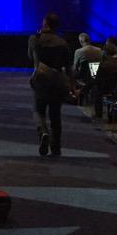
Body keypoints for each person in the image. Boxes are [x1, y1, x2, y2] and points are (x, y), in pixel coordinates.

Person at [28, 12, 73, 157]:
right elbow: (68, 66)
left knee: (38, 110)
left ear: (45, 23)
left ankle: (43, 131)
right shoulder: (62, 42)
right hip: (57, 80)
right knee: (55, 115)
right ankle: (56, 147)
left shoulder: (35, 39)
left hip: (40, 79)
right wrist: (72, 85)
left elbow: (30, 57)